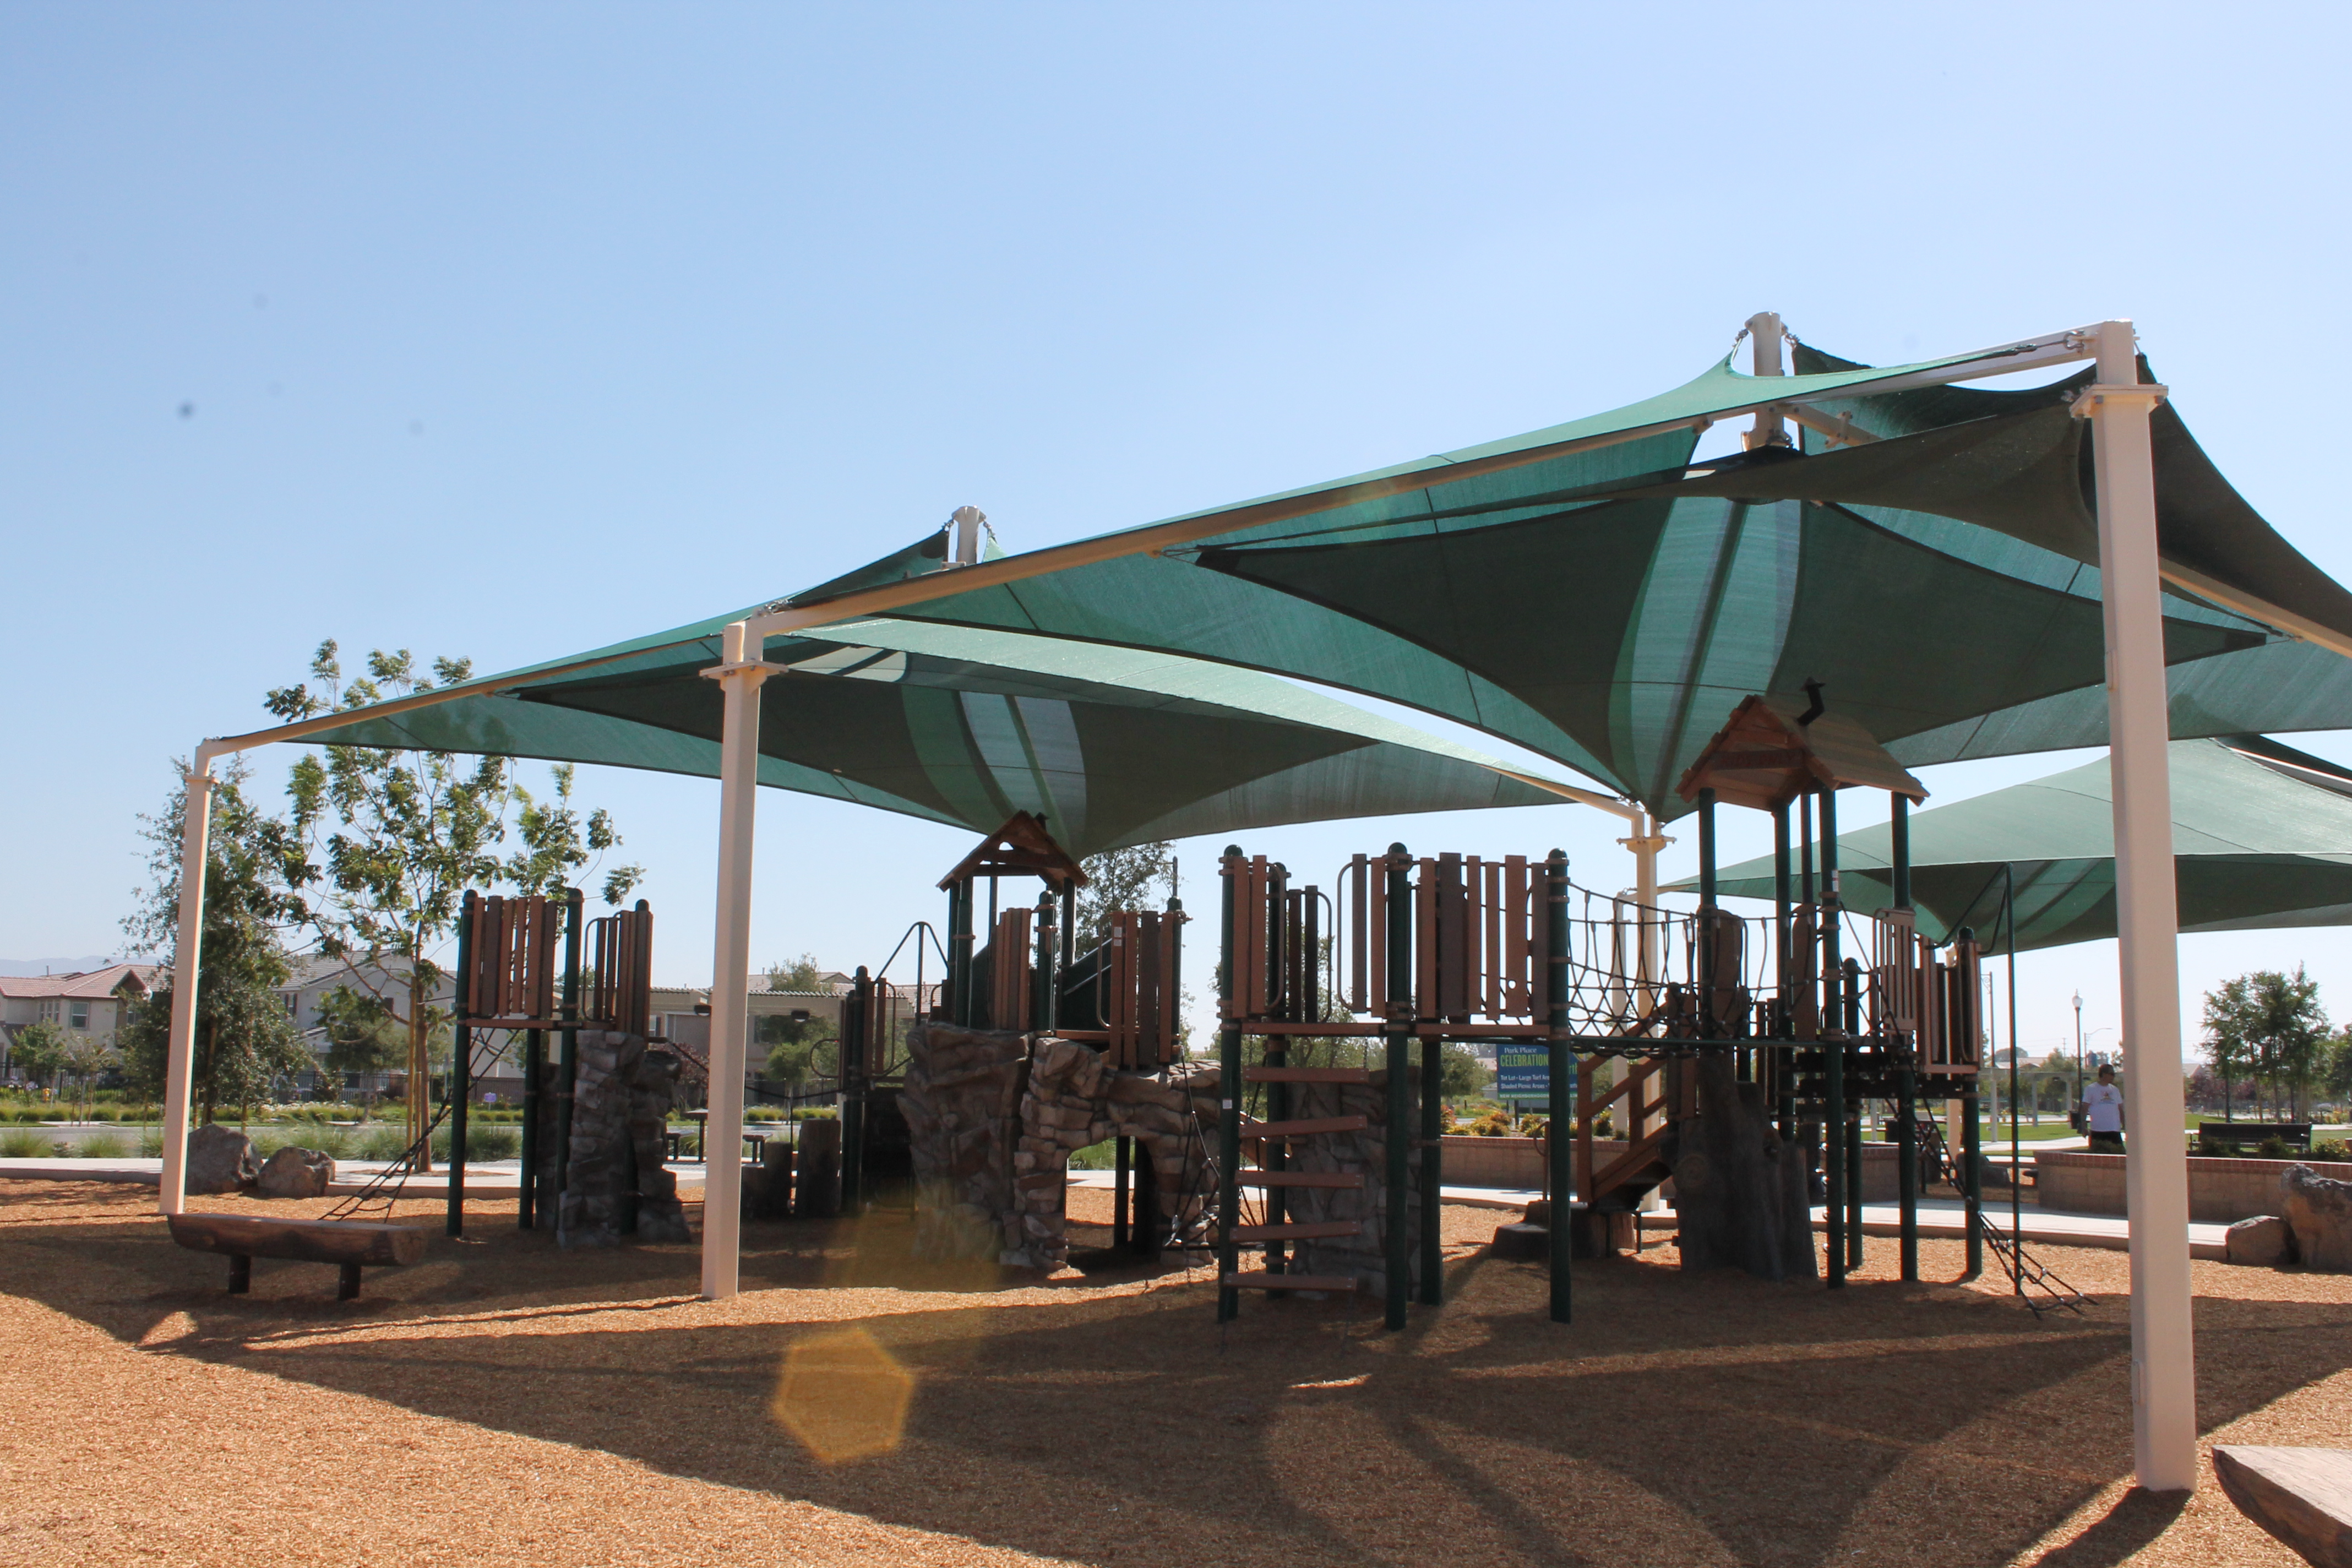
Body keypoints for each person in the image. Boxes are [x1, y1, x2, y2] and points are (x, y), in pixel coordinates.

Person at [2081, 1063, 2125, 1152]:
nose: (2114, 1076)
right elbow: (2084, 1108)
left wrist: (2124, 1124)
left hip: (2114, 1130)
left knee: (2118, 1154)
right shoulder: (2091, 1089)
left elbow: (2120, 1109)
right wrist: (2083, 1126)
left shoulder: (2115, 1090)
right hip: (2098, 1130)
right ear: (2104, 1074)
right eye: (2112, 1074)